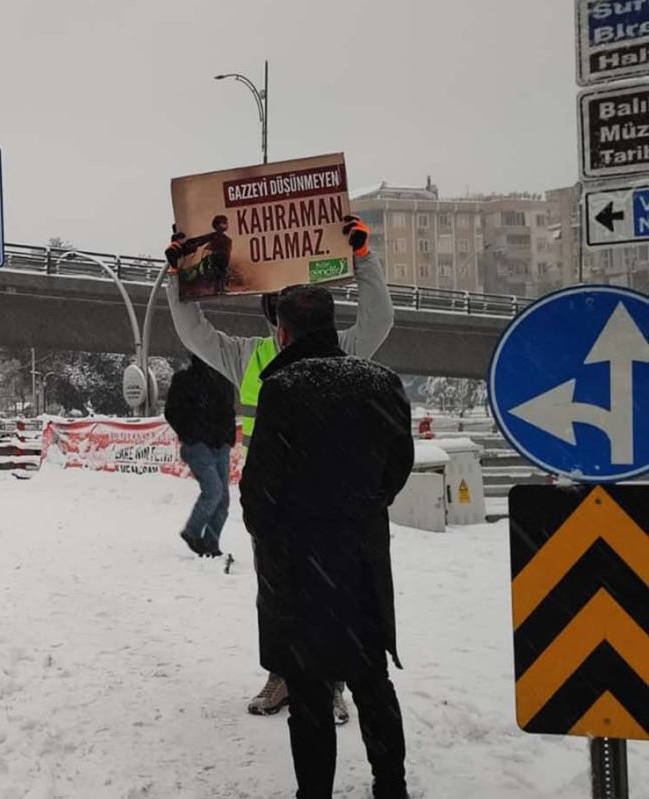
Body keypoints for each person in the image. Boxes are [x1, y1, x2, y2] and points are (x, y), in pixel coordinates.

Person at [166, 215, 393, 721]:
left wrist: (363, 258)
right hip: (274, 502)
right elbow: (193, 331)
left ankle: (330, 682)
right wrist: (181, 276)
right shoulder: (250, 356)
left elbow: (378, 320)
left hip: (330, 501)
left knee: (332, 594)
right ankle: (283, 674)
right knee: (276, 595)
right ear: (272, 312)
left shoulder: (342, 352)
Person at [240, 283, 414, 799]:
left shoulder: (283, 390)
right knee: (372, 681)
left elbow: (258, 490)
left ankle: (314, 793)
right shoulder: (381, 382)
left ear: (283, 331)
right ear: (332, 326)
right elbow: (398, 466)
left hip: (300, 570)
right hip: (362, 563)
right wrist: (362, 508)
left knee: (310, 693)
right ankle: (391, 787)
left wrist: (274, 539)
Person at [164, 354, 236, 558]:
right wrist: (190, 435)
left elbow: (229, 411)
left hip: (220, 444)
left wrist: (227, 437)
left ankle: (211, 542)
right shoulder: (184, 380)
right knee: (214, 491)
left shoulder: (224, 380)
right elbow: (171, 412)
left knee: (222, 499)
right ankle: (193, 532)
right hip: (197, 445)